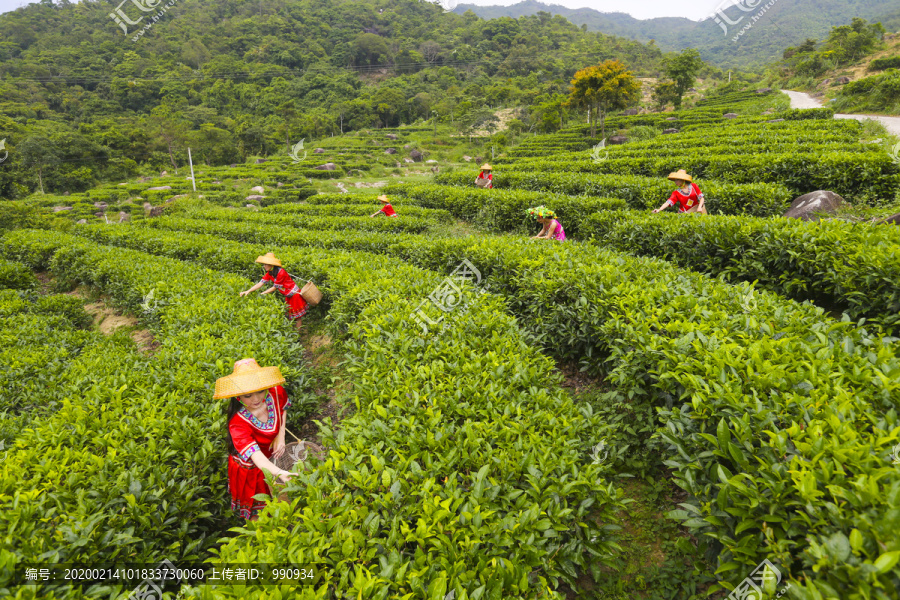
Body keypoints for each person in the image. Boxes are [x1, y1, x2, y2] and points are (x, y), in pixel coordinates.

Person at [214, 358, 295, 521]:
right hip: (251, 470)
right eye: (248, 395)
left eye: (260, 391)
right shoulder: (237, 424)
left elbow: (283, 409)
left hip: (272, 456)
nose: (256, 399)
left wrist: (281, 436)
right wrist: (280, 473)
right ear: (238, 397)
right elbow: (256, 456)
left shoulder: (275, 392)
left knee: (283, 505)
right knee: (260, 515)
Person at [239, 252, 308, 331]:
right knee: (290, 315)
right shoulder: (270, 273)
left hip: (294, 295)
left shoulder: (281, 272)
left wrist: (263, 293)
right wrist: (248, 291)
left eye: (265, 264)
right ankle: (294, 332)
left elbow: (274, 287)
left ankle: (297, 335)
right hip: (288, 295)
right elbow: (261, 283)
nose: (264, 266)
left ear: (271, 264)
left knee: (297, 317)